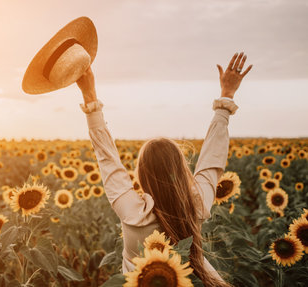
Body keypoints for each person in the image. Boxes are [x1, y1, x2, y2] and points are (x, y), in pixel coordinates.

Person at [76, 52, 252, 287]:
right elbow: (212, 161)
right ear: (181, 170)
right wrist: (226, 97)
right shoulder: (196, 205)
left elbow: (108, 160)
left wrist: (90, 98)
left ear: (141, 174)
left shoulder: (132, 213)